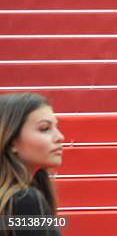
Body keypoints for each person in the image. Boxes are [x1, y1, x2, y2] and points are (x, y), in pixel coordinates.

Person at [0, 93, 64, 236]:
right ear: (11, 141)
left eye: (56, 127)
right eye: (44, 129)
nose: (60, 137)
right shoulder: (24, 200)